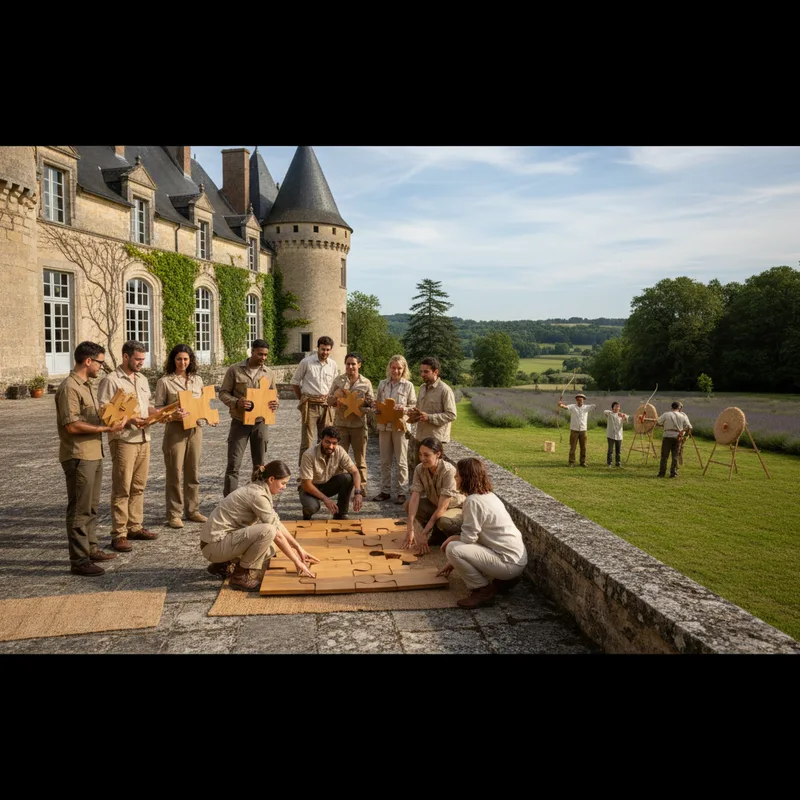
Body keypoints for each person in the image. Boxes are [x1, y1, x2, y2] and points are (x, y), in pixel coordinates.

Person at [55, 341, 128, 575]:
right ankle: (79, 560)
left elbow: (92, 418)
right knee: (80, 509)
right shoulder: (70, 388)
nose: (101, 367)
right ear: (88, 361)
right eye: (100, 362)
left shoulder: (87, 386)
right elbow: (72, 425)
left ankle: (91, 548)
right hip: (78, 455)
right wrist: (106, 429)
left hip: (93, 453)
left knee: (92, 507)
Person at [200, 461, 320, 591]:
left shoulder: (259, 488)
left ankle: (222, 564)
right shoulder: (257, 495)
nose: (285, 487)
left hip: (217, 543)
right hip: (213, 547)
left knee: (270, 548)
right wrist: (296, 561)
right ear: (271, 479)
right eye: (283, 483)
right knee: (268, 531)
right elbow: (276, 533)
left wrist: (298, 548)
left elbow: (276, 522)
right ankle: (240, 576)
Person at [436, 457, 528, 608]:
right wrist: (453, 562)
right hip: (518, 560)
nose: (455, 477)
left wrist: (452, 540)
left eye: (458, 475)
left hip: (508, 564)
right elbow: (478, 537)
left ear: (466, 478)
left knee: (452, 548)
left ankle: (482, 590)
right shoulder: (489, 495)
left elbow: (468, 539)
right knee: (456, 547)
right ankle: (504, 581)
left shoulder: (472, 501)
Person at [97, 340, 159, 553]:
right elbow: (104, 413)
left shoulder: (142, 379)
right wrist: (130, 419)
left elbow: (145, 407)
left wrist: (162, 414)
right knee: (122, 487)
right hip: (124, 439)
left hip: (144, 438)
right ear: (125, 357)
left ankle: (135, 526)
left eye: (143, 359)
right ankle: (119, 533)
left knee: (139, 486)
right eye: (138, 359)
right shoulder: (111, 381)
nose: (141, 363)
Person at [154, 343, 217, 528]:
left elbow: (203, 404)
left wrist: (209, 417)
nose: (182, 362)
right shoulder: (165, 382)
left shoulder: (197, 380)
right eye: (179, 359)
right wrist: (173, 415)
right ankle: (174, 514)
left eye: (186, 359)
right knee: (174, 472)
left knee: (193, 471)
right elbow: (158, 410)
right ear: (173, 360)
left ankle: (193, 510)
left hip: (195, 429)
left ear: (191, 360)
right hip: (175, 431)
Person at [219, 339, 279, 497]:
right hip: (239, 423)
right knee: (234, 464)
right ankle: (229, 501)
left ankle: (256, 498)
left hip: (260, 423)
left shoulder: (269, 373)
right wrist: (236, 402)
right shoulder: (234, 370)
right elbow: (223, 393)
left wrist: (275, 403)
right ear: (251, 352)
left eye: (265, 355)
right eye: (260, 354)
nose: (263, 358)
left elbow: (274, 394)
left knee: (259, 466)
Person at [402, 437, 464, 555]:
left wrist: (423, 533)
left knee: (443, 521)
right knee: (408, 504)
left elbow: (442, 507)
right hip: (436, 504)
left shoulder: (448, 471)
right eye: (420, 454)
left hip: (454, 507)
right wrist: (410, 529)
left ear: (438, 454)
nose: (422, 458)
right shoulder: (419, 469)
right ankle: (436, 532)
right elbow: (414, 498)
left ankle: (451, 537)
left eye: (426, 455)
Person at [373, 354, 417, 505]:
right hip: (384, 426)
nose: (396, 371)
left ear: (404, 369)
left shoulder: (408, 386)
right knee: (384, 460)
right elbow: (378, 403)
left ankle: (401, 492)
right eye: (393, 367)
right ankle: (385, 491)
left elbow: (413, 406)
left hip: (400, 427)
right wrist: (376, 408)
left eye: (399, 368)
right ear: (389, 368)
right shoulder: (382, 384)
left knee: (401, 461)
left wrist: (403, 408)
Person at [327, 352, 374, 491]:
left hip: (358, 425)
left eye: (353, 364)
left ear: (359, 365)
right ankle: (340, 487)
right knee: (339, 458)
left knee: (360, 459)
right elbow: (329, 400)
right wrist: (336, 399)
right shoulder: (338, 381)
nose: (350, 367)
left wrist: (362, 403)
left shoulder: (366, 382)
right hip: (341, 425)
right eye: (348, 364)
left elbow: (371, 403)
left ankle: (362, 487)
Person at [298, 426, 364, 521]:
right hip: (310, 488)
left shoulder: (339, 451)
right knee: (312, 507)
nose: (330, 446)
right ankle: (307, 512)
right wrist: (325, 499)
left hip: (326, 485)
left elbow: (355, 472)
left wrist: (358, 493)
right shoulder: (309, 455)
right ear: (321, 439)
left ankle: (341, 513)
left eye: (334, 443)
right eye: (327, 442)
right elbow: (306, 484)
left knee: (347, 478)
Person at [291, 335, 339, 464]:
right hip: (310, 406)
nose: (325, 352)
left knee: (326, 440)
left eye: (328, 350)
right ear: (317, 348)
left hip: (326, 407)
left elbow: (335, 385)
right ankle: (304, 471)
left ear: (331, 350)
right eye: (323, 349)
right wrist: (302, 399)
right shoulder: (306, 362)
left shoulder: (333, 365)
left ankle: (322, 469)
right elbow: (295, 382)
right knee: (307, 441)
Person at [407, 356, 457, 473]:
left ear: (436, 372)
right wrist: (413, 414)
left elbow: (451, 415)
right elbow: (419, 410)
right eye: (421, 371)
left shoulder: (445, 390)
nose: (422, 374)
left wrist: (429, 417)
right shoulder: (422, 388)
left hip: (435, 441)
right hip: (420, 438)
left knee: (435, 475)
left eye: (426, 372)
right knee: (420, 473)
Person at [557, 392, 597, 467]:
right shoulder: (572, 406)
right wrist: (560, 405)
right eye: (578, 398)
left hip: (583, 430)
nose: (580, 400)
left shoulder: (586, 407)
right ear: (576, 400)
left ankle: (583, 462)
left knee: (583, 447)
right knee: (573, 447)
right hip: (574, 430)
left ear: (583, 400)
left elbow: (594, 406)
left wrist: (595, 400)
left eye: (581, 399)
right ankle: (571, 462)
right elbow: (566, 407)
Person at [655, 401, 693, 478]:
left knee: (664, 456)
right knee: (675, 456)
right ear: (679, 408)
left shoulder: (666, 414)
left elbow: (657, 422)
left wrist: (665, 425)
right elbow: (689, 427)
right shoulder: (682, 416)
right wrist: (684, 434)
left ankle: (662, 473)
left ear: (671, 407)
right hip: (678, 437)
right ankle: (673, 474)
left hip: (667, 436)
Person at [603, 401, 629, 468]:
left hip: (619, 435)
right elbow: (605, 411)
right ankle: (609, 463)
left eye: (618, 406)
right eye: (615, 406)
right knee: (610, 450)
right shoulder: (610, 414)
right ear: (612, 408)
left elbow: (627, 418)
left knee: (618, 451)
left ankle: (618, 463)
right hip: (610, 435)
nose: (617, 407)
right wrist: (613, 412)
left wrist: (624, 416)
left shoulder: (621, 415)